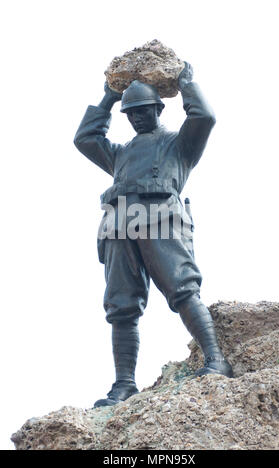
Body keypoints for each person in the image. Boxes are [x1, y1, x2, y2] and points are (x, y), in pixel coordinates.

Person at [74, 62, 233, 407]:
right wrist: (107, 99)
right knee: (121, 306)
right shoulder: (120, 154)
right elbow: (85, 139)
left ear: (159, 108)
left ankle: (216, 359)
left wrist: (186, 85)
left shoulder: (179, 145)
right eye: (130, 113)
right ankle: (123, 384)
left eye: (143, 111)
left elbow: (204, 118)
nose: (136, 118)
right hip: (119, 226)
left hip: (161, 220)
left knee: (182, 289)